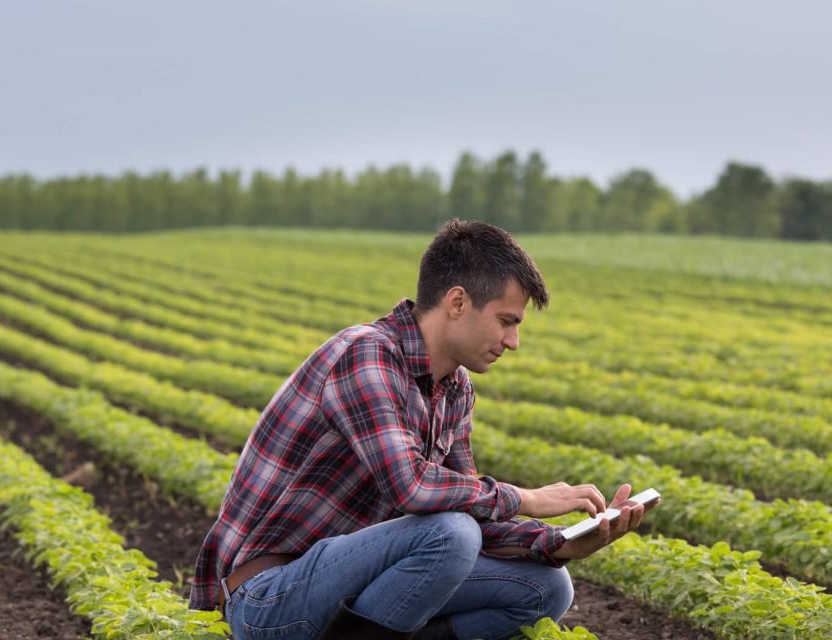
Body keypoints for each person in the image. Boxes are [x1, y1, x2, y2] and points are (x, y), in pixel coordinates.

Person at [189, 219, 654, 640]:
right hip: (270, 597)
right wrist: (526, 497)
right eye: (506, 321)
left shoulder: (455, 389)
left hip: (353, 585)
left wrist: (565, 542)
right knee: (450, 535)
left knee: (547, 589)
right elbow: (413, 488)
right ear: (457, 302)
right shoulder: (366, 354)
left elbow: (469, 505)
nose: (513, 342)